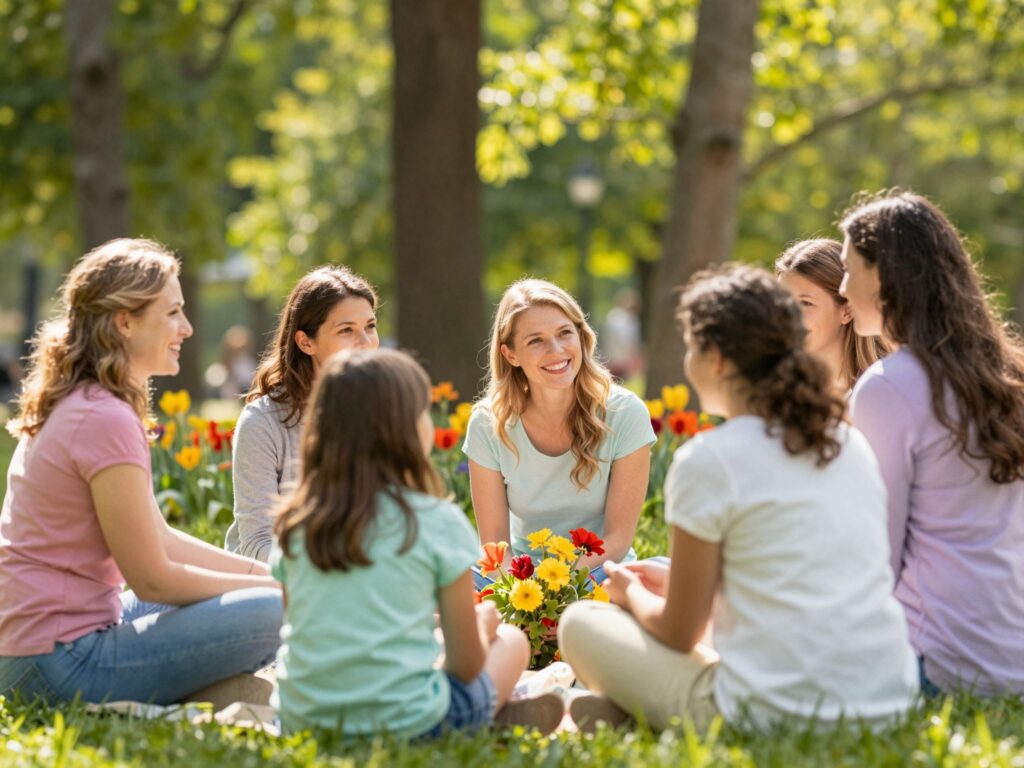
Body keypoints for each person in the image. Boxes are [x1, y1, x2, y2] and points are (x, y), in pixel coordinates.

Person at [559, 265, 918, 732]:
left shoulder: (709, 460)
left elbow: (677, 632)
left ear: (719, 361)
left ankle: (624, 705)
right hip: (888, 698)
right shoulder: (847, 442)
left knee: (581, 623)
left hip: (772, 714)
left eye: (691, 347)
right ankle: (618, 710)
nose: (688, 362)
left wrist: (628, 595)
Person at [0, 238, 281, 706]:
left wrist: (270, 571)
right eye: (172, 313)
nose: (188, 329)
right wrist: (279, 588)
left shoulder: (90, 403)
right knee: (281, 610)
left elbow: (161, 539)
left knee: (274, 594)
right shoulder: (101, 417)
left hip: (39, 648)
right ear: (124, 321)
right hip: (55, 663)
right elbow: (152, 579)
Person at [270, 348, 564, 738]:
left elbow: (305, 633)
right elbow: (465, 666)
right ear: (405, 430)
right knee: (509, 641)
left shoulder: (296, 523)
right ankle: (492, 715)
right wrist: (485, 623)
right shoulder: (435, 521)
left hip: (301, 722)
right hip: (412, 725)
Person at [840, 190, 1024, 697]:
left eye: (849, 269)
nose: (841, 287)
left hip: (933, 661)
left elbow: (877, 554)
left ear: (884, 277)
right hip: (1013, 658)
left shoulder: (888, 386)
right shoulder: (1008, 377)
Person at [463, 279, 656, 585]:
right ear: (511, 354)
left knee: (665, 571)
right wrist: (526, 590)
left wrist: (559, 582)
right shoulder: (488, 423)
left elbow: (618, 539)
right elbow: (495, 548)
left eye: (565, 333)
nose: (556, 350)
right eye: (535, 341)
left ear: (581, 337)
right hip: (520, 578)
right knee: (448, 583)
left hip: (599, 570)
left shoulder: (625, 413)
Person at [225, 265, 379, 561]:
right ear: (305, 342)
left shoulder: (382, 412)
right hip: (276, 586)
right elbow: (257, 543)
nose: (365, 342)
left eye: (370, 326)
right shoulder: (262, 423)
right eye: (346, 330)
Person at [775, 238, 888, 394]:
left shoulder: (885, 389)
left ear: (847, 311)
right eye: (783, 303)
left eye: (805, 303)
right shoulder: (778, 394)